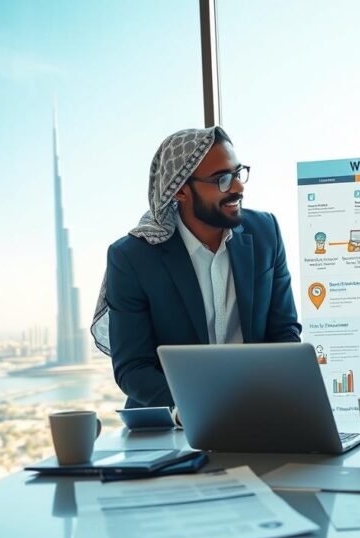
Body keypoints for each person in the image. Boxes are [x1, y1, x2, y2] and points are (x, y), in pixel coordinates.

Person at [90, 126, 301, 409]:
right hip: (173, 419)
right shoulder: (133, 257)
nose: (238, 187)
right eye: (222, 179)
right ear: (179, 191)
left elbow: (284, 331)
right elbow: (133, 369)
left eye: (238, 173)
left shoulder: (265, 232)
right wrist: (200, 408)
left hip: (259, 409)